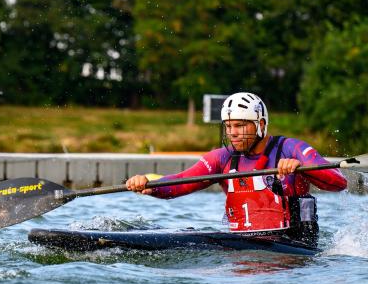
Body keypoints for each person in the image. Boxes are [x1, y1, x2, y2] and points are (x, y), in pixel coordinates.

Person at [126, 92, 347, 246]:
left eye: (240, 125)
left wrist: (302, 168)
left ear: (260, 125)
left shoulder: (291, 148)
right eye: (229, 126)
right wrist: (148, 183)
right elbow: (180, 183)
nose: (233, 133)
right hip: (243, 247)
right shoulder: (223, 157)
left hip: (293, 248)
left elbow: (338, 182)